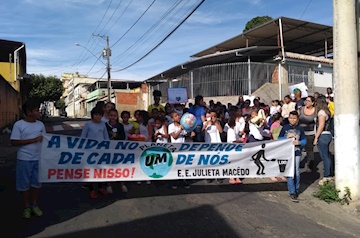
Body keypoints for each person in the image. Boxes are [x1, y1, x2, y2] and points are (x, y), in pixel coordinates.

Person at [10, 99, 46, 219]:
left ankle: (34, 204)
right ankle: (26, 206)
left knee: (36, 184)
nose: (39, 112)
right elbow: (14, 142)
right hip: (24, 159)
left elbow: (46, 140)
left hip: (38, 159)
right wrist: (33, 140)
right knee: (24, 185)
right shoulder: (19, 125)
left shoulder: (40, 125)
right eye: (36, 110)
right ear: (29, 112)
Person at [81, 106, 110, 199]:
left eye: (100, 115)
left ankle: (101, 187)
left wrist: (110, 147)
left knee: (100, 169)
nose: (98, 117)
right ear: (92, 115)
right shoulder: (88, 124)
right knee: (90, 170)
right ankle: (92, 190)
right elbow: (83, 137)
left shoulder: (103, 124)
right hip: (90, 151)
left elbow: (106, 137)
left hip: (101, 151)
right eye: (96, 115)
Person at [278, 111, 307, 203]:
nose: (292, 120)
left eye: (294, 118)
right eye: (291, 118)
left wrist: (300, 143)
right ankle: (292, 191)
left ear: (297, 119)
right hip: (287, 153)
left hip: (297, 152)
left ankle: (297, 189)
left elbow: (304, 140)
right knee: (290, 172)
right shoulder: (285, 128)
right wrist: (286, 139)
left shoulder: (300, 129)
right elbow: (279, 138)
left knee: (297, 171)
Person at [105, 108, 128, 193]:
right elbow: (104, 136)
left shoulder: (120, 126)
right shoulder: (105, 125)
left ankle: (122, 184)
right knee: (109, 166)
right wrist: (111, 136)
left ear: (117, 116)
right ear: (108, 116)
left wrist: (116, 136)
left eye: (114, 116)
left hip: (118, 148)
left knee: (120, 166)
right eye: (111, 115)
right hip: (109, 148)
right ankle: (108, 185)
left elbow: (123, 137)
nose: (113, 117)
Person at [314, 95, 333, 185]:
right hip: (328, 134)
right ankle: (329, 174)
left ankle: (326, 176)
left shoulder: (321, 112)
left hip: (323, 135)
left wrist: (316, 137)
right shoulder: (327, 112)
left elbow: (321, 125)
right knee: (327, 155)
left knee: (324, 156)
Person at [168, 111, 190, 189]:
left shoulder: (183, 126)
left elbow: (186, 135)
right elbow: (174, 136)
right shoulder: (171, 126)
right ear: (172, 118)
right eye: (176, 116)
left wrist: (190, 133)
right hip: (175, 148)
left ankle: (184, 180)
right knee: (175, 165)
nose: (178, 117)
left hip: (183, 148)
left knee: (183, 165)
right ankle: (174, 181)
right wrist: (180, 130)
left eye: (179, 115)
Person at [298, 96, 316, 173]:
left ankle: (310, 166)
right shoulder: (301, 109)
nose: (307, 102)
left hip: (310, 133)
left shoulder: (315, 111)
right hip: (300, 132)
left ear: (313, 102)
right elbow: (296, 118)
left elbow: (317, 122)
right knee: (298, 148)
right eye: (306, 101)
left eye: (309, 101)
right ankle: (297, 164)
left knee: (309, 150)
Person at [227, 118, 245, 184]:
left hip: (236, 149)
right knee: (233, 163)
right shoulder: (231, 131)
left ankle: (237, 177)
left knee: (237, 163)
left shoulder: (233, 130)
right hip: (232, 149)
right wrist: (240, 140)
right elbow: (233, 140)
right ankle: (232, 178)